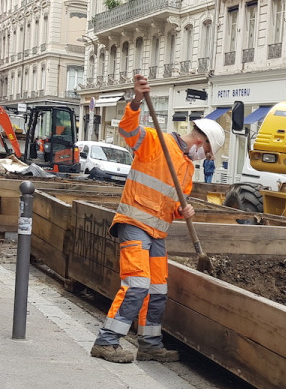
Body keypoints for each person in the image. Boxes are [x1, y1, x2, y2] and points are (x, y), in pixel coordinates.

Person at [90, 74, 226, 364]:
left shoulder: (188, 168)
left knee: (157, 290)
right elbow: (128, 130)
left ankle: (150, 344)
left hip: (157, 232)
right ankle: (106, 341)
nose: (205, 157)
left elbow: (175, 203)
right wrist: (137, 99)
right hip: (135, 224)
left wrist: (182, 211)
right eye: (208, 152)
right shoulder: (156, 141)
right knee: (137, 284)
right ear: (201, 141)